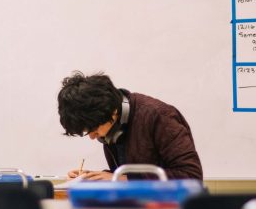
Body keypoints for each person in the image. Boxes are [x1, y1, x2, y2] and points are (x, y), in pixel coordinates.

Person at [57, 71, 203, 181]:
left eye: (94, 130)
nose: (92, 137)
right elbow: (130, 174)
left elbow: (191, 176)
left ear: (113, 112)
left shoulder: (159, 116)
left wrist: (124, 180)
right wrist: (93, 178)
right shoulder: (113, 127)